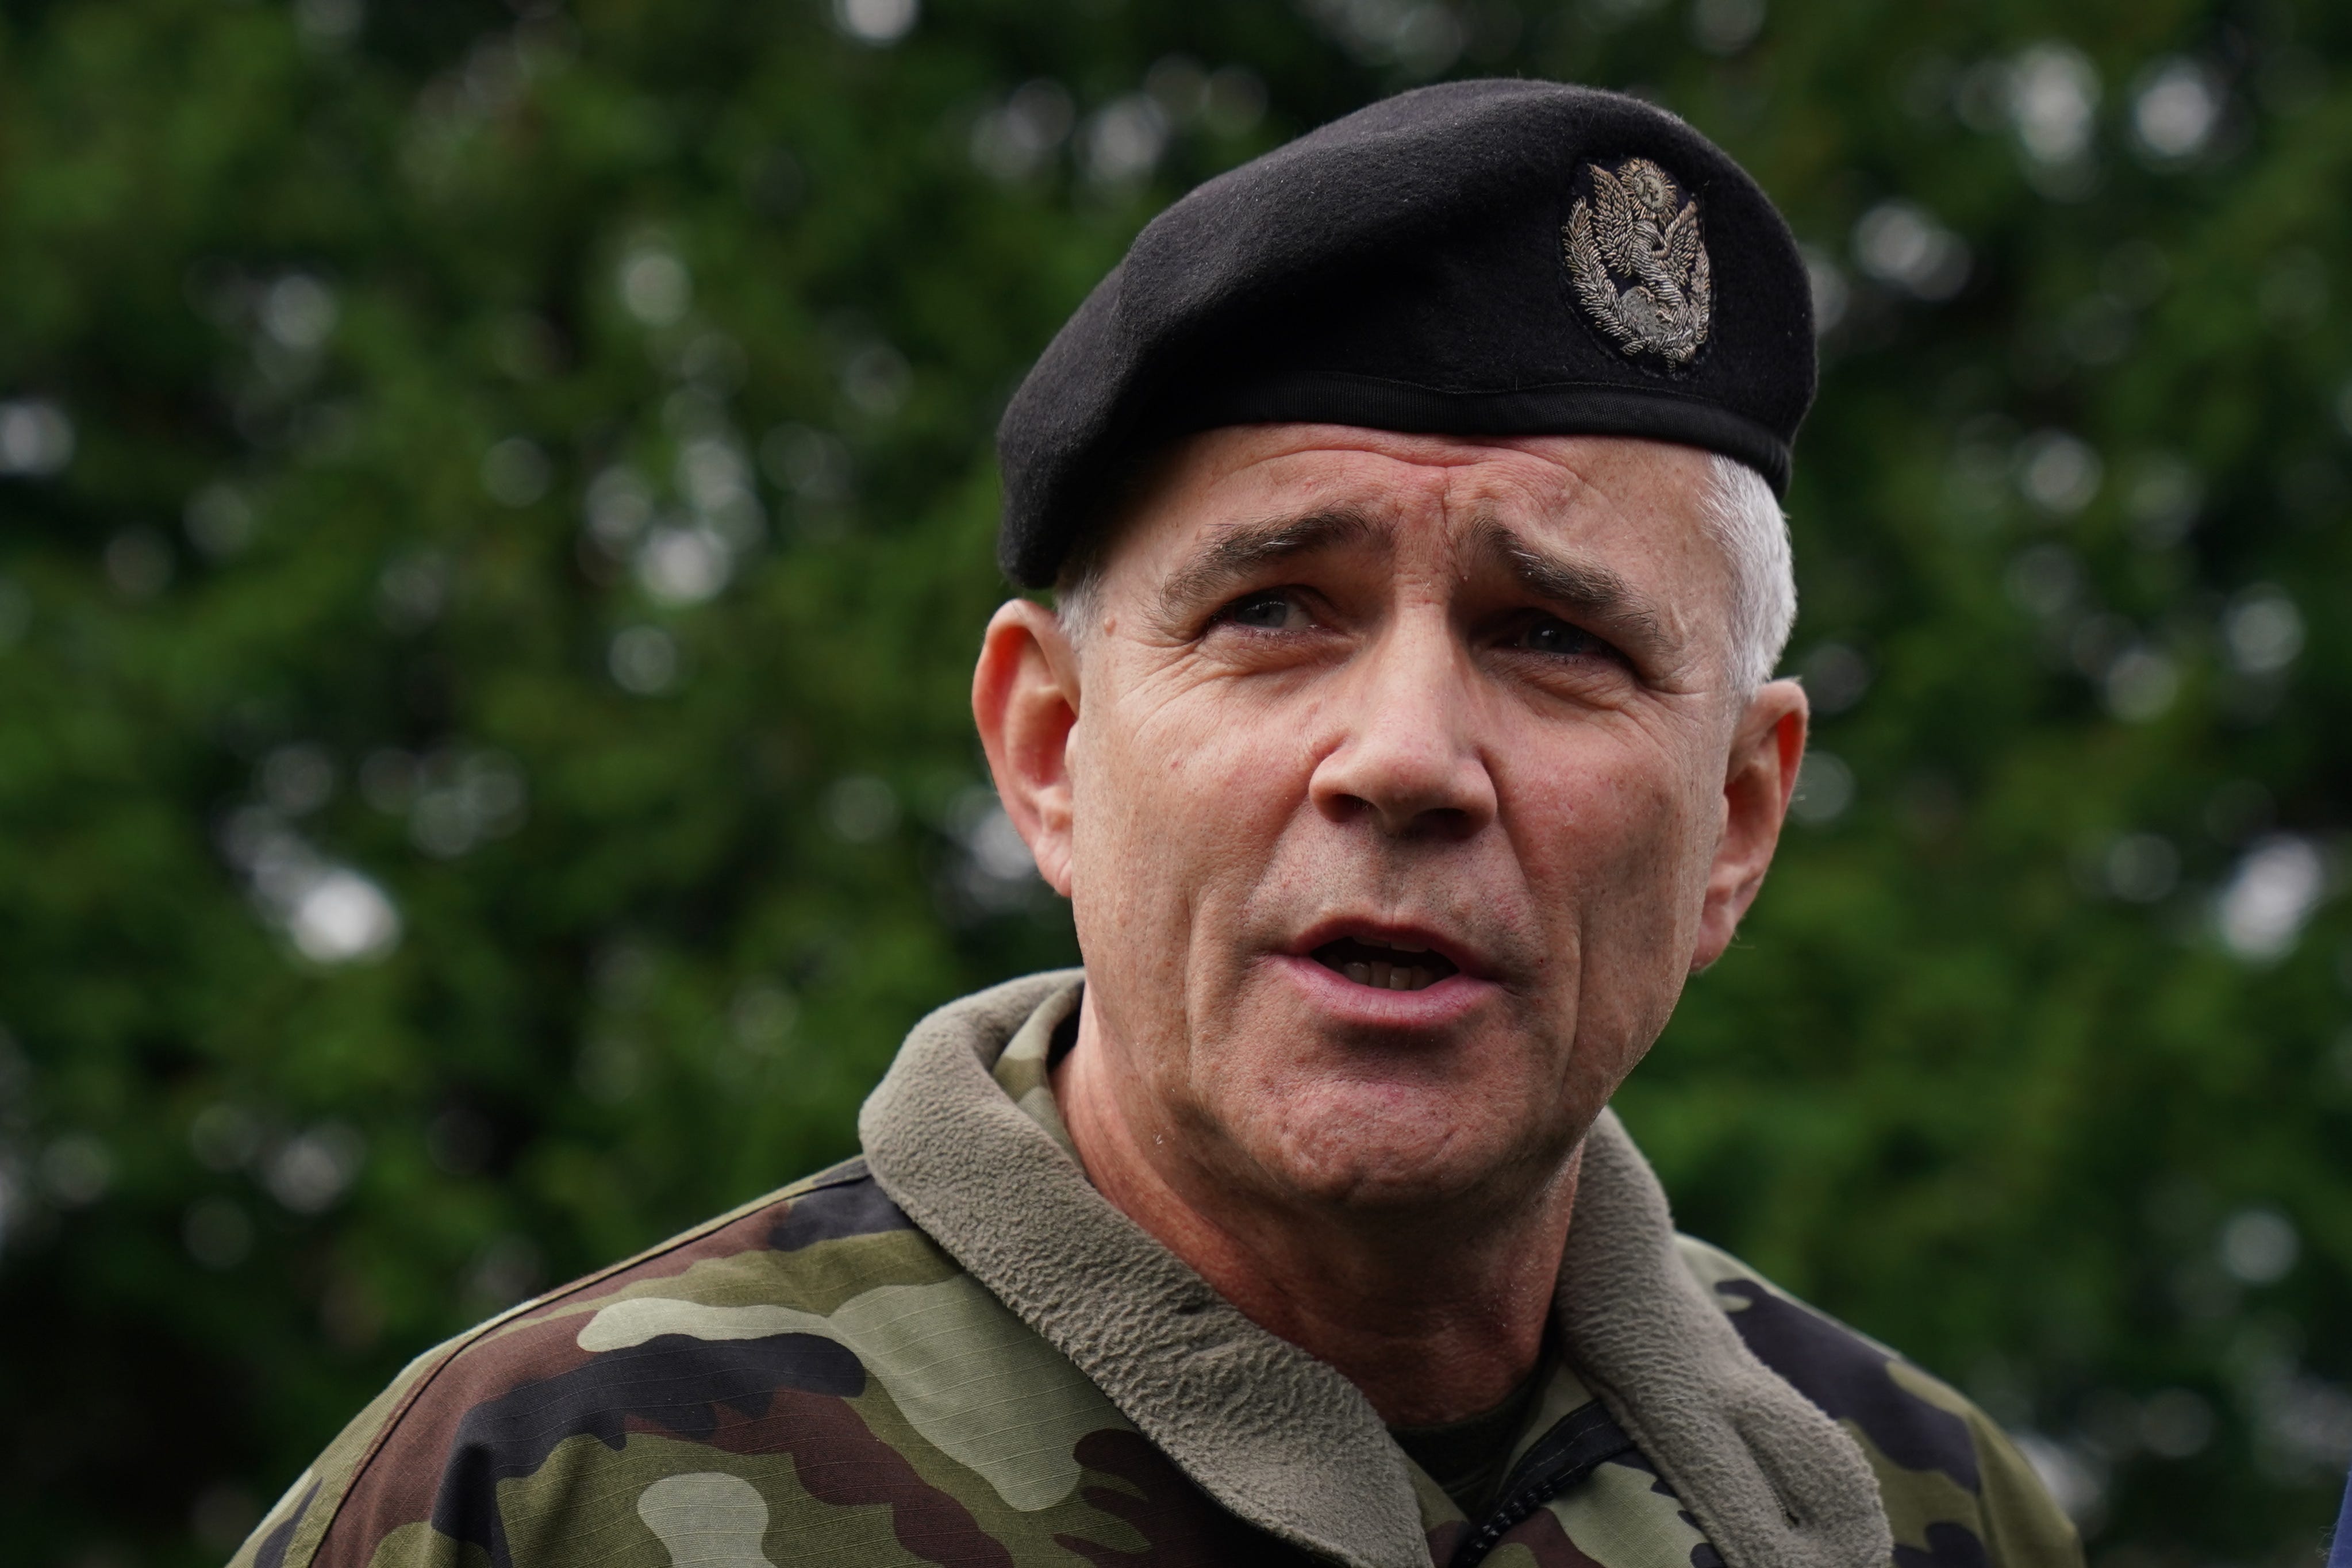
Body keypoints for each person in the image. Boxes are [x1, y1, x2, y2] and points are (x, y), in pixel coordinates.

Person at [232, 80, 2082, 1568]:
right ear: (1048, 749)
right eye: (1276, 611)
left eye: (1552, 637)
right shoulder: (545, 1497)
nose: (1408, 757)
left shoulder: (1926, 1513)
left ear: (1739, 823)